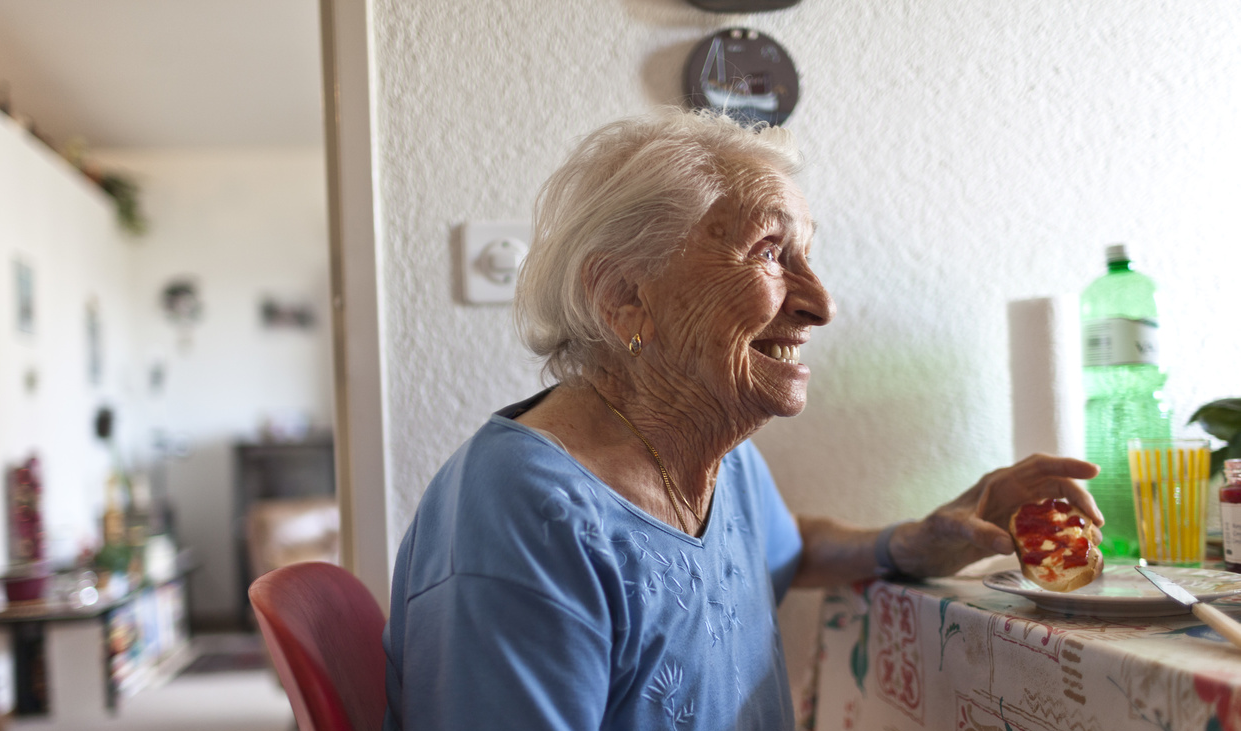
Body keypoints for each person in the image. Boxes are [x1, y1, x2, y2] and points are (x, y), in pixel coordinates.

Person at [382, 108, 1102, 730]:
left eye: (806, 257)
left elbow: (787, 551)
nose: (821, 303)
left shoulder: (711, 453)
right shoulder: (522, 510)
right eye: (768, 252)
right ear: (623, 296)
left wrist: (918, 540)